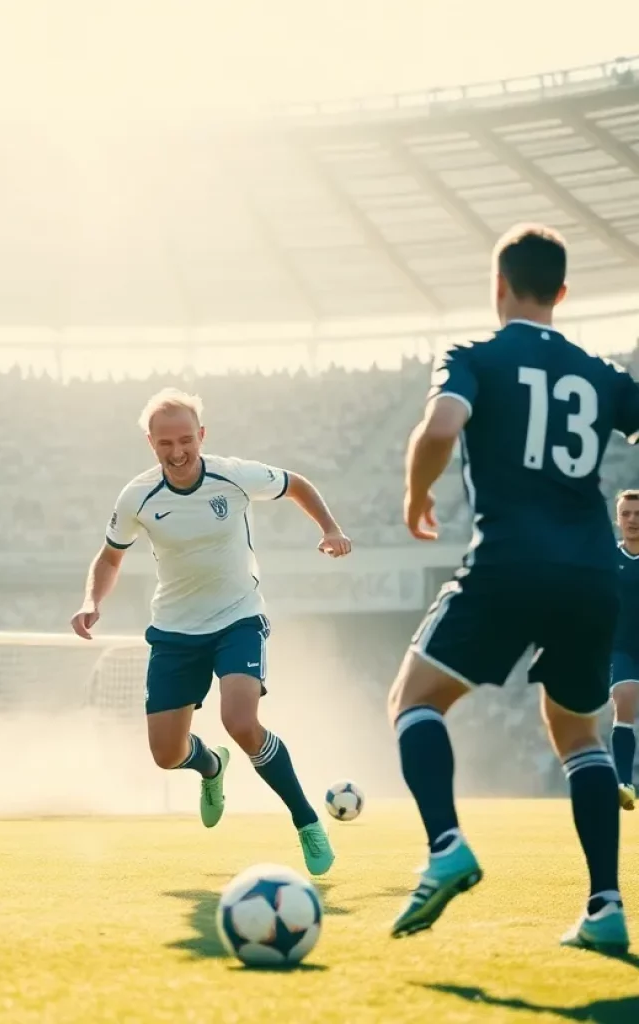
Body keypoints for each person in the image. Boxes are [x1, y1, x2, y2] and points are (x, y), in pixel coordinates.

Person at [389, 223, 636, 953]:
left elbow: (440, 425)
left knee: (414, 700)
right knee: (581, 737)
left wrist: (415, 497)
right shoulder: (601, 374)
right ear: (562, 292)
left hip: (509, 562)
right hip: (593, 572)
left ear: (497, 287)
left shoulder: (475, 356)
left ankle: (445, 845)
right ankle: (606, 905)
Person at [70, 388, 352, 876]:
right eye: (164, 444)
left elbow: (296, 484)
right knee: (165, 755)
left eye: (185, 440)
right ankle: (210, 767)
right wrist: (92, 601)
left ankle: (306, 821)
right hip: (175, 631)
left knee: (241, 722)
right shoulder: (137, 496)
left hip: (238, 618)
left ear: (202, 435)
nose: (177, 452)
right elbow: (111, 555)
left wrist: (329, 528)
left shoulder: (234, 476)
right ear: (150, 443)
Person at [610, 489, 639, 810]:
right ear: (617, 519)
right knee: (626, 697)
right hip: (620, 648)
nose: (633, 520)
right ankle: (624, 783)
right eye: (626, 514)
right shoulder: (607, 558)